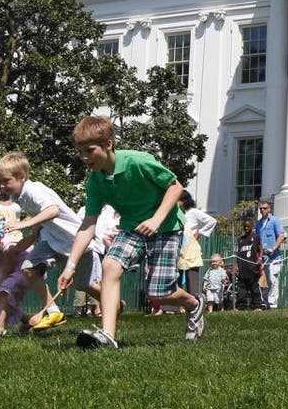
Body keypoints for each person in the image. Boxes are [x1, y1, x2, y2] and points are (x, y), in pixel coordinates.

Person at [60, 116, 205, 350]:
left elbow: (176, 186)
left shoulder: (138, 161)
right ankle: (107, 335)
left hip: (166, 227)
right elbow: (88, 225)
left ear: (108, 144)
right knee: (110, 266)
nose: (84, 157)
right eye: (80, 152)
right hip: (131, 228)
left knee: (159, 292)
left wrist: (156, 219)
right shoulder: (96, 181)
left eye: (89, 150)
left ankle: (193, 304)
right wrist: (70, 266)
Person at [0, 153, 102, 333]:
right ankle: (53, 311)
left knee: (84, 285)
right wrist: (29, 238)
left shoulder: (34, 190)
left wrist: (23, 224)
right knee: (28, 268)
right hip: (51, 239)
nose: (2, 186)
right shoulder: (19, 196)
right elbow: (40, 218)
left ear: (22, 177)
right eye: (0, 182)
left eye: (6, 181)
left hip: (73, 239)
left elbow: (53, 210)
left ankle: (112, 300)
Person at [176, 191, 217, 301]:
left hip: (191, 249)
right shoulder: (175, 212)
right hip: (178, 248)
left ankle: (193, 304)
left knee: (191, 279)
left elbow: (211, 221)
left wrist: (199, 233)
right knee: (176, 278)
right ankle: (175, 306)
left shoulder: (193, 212)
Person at [255, 200, 286, 309]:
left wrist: (273, 248)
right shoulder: (258, 223)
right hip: (263, 257)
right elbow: (257, 240)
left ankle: (273, 304)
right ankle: (265, 302)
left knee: (273, 280)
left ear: (269, 209)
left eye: (264, 208)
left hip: (274, 256)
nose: (262, 210)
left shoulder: (275, 221)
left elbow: (281, 236)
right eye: (261, 209)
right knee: (264, 281)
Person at [234, 218, 263, 310]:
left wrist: (259, 258)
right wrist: (237, 265)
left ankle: (257, 306)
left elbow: (260, 248)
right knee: (242, 289)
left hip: (252, 267)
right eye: (244, 226)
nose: (246, 228)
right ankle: (239, 306)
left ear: (252, 226)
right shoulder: (240, 240)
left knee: (254, 288)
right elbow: (238, 254)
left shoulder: (256, 237)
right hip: (243, 268)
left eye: (248, 226)